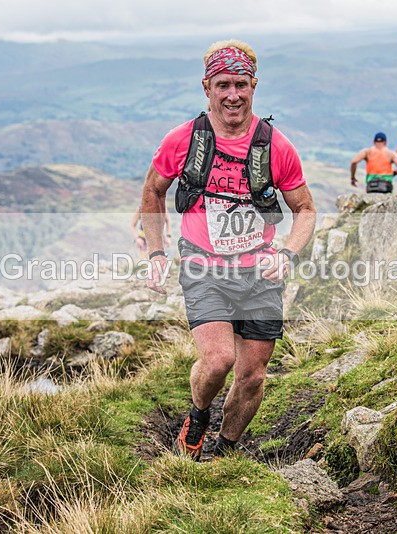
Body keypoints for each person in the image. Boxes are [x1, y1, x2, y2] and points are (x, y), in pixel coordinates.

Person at [140, 39, 316, 460]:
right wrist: (157, 254)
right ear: (207, 87)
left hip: (260, 273)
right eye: (223, 85)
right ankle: (198, 416)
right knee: (218, 360)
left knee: (252, 376)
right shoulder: (183, 140)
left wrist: (287, 252)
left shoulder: (276, 146)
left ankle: (224, 452)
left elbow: (305, 209)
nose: (232, 94)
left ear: (254, 85)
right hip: (204, 268)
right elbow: (152, 192)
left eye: (240, 84)